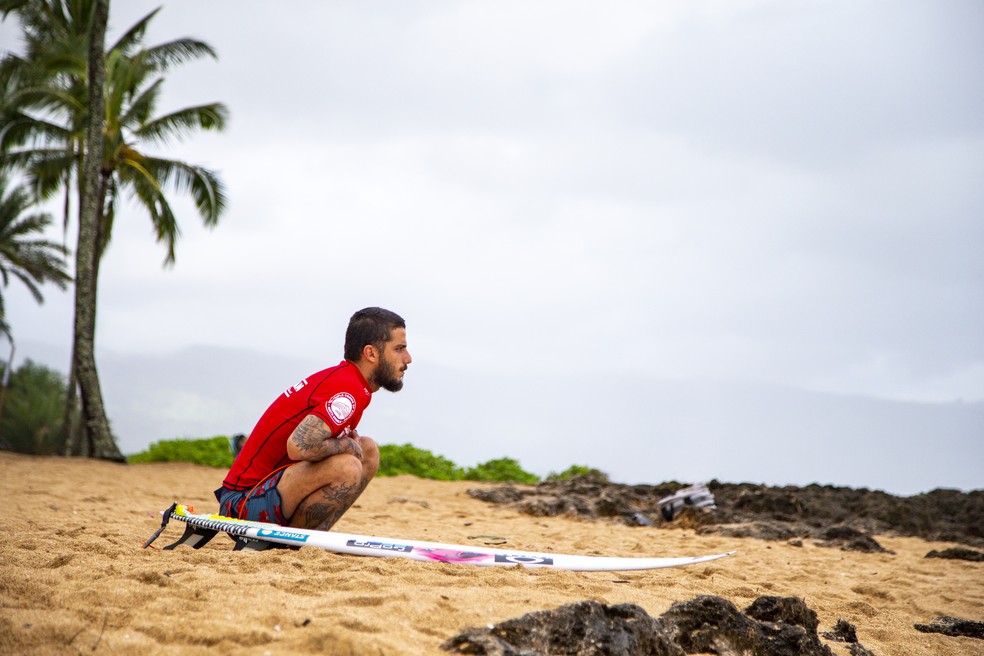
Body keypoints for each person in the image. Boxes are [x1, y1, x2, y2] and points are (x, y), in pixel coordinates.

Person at [214, 307, 411, 531]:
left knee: (368, 450)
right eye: (399, 349)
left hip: (264, 494)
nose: (408, 358)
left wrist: (348, 443)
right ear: (371, 353)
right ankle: (289, 543)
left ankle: (314, 537)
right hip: (241, 504)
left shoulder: (352, 382)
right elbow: (299, 446)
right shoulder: (347, 390)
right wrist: (347, 444)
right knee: (347, 466)